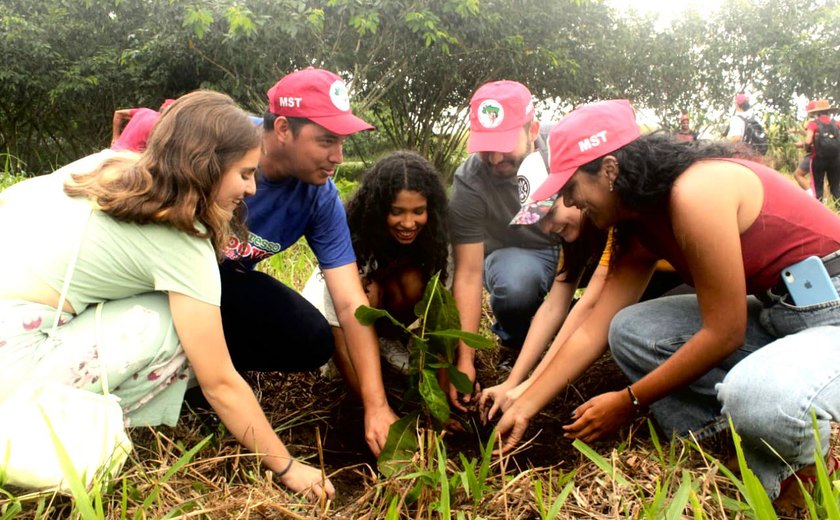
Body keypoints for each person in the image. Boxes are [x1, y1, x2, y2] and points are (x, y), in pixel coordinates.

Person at [494, 99, 840, 507]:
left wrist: (630, 400)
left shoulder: (696, 194)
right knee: (627, 330)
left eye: (571, 189)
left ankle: (796, 464)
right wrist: (526, 404)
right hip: (778, 310)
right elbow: (594, 326)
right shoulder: (638, 226)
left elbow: (724, 332)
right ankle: (728, 439)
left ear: (608, 170)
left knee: (757, 398)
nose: (570, 205)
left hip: (829, 310)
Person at [0, 90, 334, 499]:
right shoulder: (183, 239)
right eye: (245, 174)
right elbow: (221, 383)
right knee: (183, 328)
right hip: (12, 364)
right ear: (208, 168)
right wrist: (287, 466)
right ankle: (52, 418)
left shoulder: (114, 167)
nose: (250, 189)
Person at [219, 67, 402, 457]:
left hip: (226, 281)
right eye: (326, 141)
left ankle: (212, 371)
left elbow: (351, 303)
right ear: (283, 129)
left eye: (342, 142)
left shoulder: (319, 196)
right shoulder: (220, 145)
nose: (338, 157)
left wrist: (377, 405)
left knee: (311, 338)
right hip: (162, 277)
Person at [447, 80, 558, 409]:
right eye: (485, 146)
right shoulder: (470, 181)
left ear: (532, 129)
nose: (494, 158)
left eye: (504, 145)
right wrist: (464, 360)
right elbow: (467, 273)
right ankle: (517, 344)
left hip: (580, 243)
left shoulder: (564, 148)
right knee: (514, 287)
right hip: (523, 252)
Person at [302, 151, 450, 383]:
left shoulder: (437, 241)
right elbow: (336, 319)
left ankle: (385, 340)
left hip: (386, 302)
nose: (409, 223)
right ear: (380, 210)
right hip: (330, 318)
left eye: (418, 211)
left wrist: (444, 393)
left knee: (414, 282)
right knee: (364, 295)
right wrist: (368, 405)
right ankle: (359, 350)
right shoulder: (355, 240)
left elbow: (443, 316)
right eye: (397, 212)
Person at [804, 98, 840, 202]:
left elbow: (807, 141)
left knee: (818, 188)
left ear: (817, 112)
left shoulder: (813, 124)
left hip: (818, 159)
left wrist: (807, 149)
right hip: (835, 159)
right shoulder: (836, 123)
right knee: (836, 187)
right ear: (829, 111)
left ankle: (819, 211)